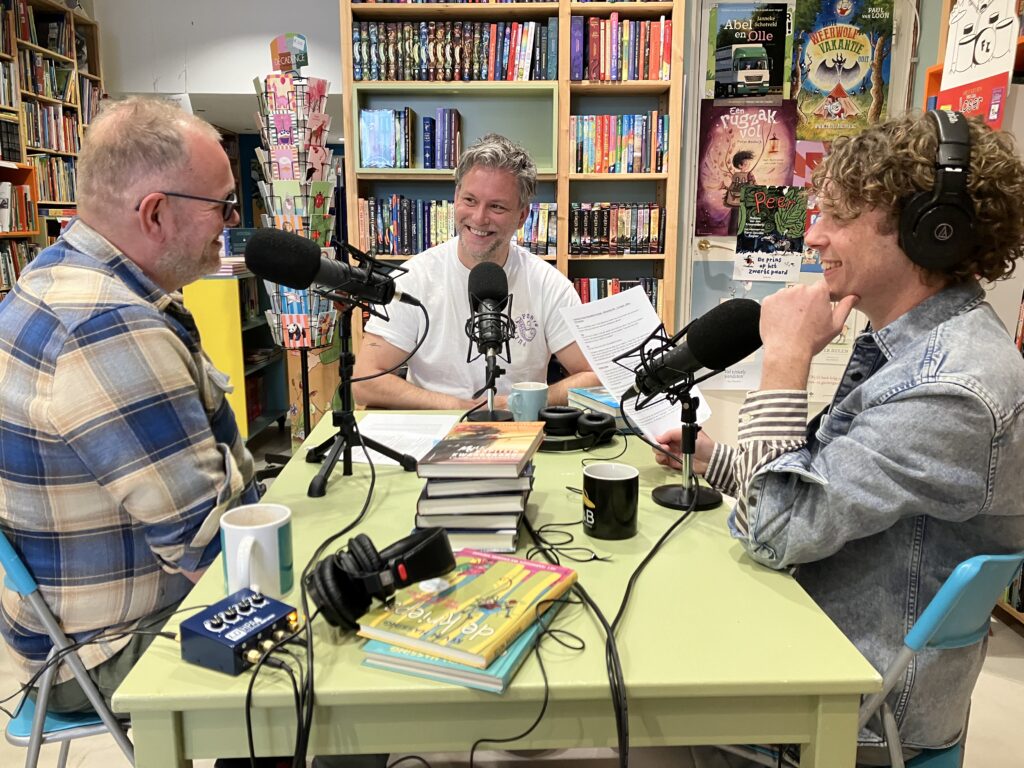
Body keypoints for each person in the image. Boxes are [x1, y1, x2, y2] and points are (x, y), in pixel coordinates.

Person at [655, 112, 1024, 765]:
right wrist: (718, 461)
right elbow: (822, 490)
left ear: (929, 230)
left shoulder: (952, 389)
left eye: (839, 216)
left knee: (631, 690)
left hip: (852, 715)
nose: (814, 235)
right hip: (826, 654)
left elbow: (774, 532)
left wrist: (784, 358)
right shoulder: (915, 351)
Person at [0, 97, 259, 714]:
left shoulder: (51, 275)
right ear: (156, 213)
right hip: (104, 648)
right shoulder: (108, 327)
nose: (230, 222)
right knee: (335, 643)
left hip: (59, 628)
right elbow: (215, 556)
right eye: (222, 205)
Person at [352, 133, 598, 410]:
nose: (479, 218)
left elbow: (594, 376)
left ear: (522, 216)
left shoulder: (549, 285)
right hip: (435, 426)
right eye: (470, 200)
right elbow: (365, 382)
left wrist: (516, 403)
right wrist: (458, 408)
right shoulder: (412, 278)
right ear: (456, 197)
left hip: (519, 427)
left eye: (497, 206)